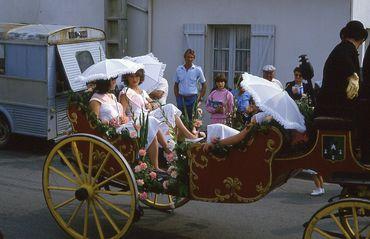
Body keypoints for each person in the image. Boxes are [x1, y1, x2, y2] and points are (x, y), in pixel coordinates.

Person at [88, 77, 164, 170]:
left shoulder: (111, 96)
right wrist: (108, 122)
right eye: (112, 80)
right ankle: (166, 151)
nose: (115, 82)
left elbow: (122, 114)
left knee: (150, 124)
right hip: (113, 131)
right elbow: (94, 122)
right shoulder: (95, 99)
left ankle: (156, 166)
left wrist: (124, 118)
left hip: (123, 125)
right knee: (149, 120)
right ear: (105, 82)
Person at [119, 69, 203, 145]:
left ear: (140, 77)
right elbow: (122, 112)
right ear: (127, 78)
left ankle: (186, 136)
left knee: (169, 107)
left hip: (148, 115)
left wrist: (150, 105)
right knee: (165, 112)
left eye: (137, 76)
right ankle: (187, 137)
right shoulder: (125, 92)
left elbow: (155, 104)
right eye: (131, 76)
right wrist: (124, 118)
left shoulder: (143, 91)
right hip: (137, 119)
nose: (135, 79)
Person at [315, 20, 368, 120]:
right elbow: (354, 88)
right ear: (361, 39)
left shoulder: (341, 48)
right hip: (335, 108)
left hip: (328, 105)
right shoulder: (348, 50)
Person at [174, 49, 206, 121]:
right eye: (188, 57)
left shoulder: (197, 69)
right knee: (181, 118)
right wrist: (177, 97)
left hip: (192, 98)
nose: (189, 59)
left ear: (194, 58)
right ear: (184, 57)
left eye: (191, 57)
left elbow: (204, 84)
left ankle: (191, 132)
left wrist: (200, 97)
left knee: (192, 119)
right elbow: (176, 84)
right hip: (181, 98)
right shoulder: (179, 69)